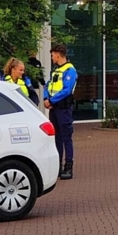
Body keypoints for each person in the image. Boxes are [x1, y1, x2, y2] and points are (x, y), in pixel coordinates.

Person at [45, 44, 78, 180]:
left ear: (58, 55)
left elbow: (67, 90)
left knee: (66, 138)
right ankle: (57, 166)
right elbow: (48, 85)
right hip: (54, 108)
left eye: (52, 55)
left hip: (63, 109)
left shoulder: (70, 70)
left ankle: (68, 166)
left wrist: (51, 101)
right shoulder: (56, 70)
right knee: (56, 138)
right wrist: (46, 98)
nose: (52, 57)